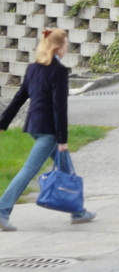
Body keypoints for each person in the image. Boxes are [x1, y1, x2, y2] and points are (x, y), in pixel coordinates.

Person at [0, 28, 96, 231]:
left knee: (66, 169)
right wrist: (62, 139)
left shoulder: (34, 68)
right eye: (66, 43)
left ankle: (78, 212)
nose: (68, 46)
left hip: (34, 126)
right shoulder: (58, 71)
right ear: (57, 47)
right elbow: (59, 107)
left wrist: (2, 123)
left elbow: (19, 98)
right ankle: (2, 211)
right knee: (29, 170)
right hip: (49, 131)